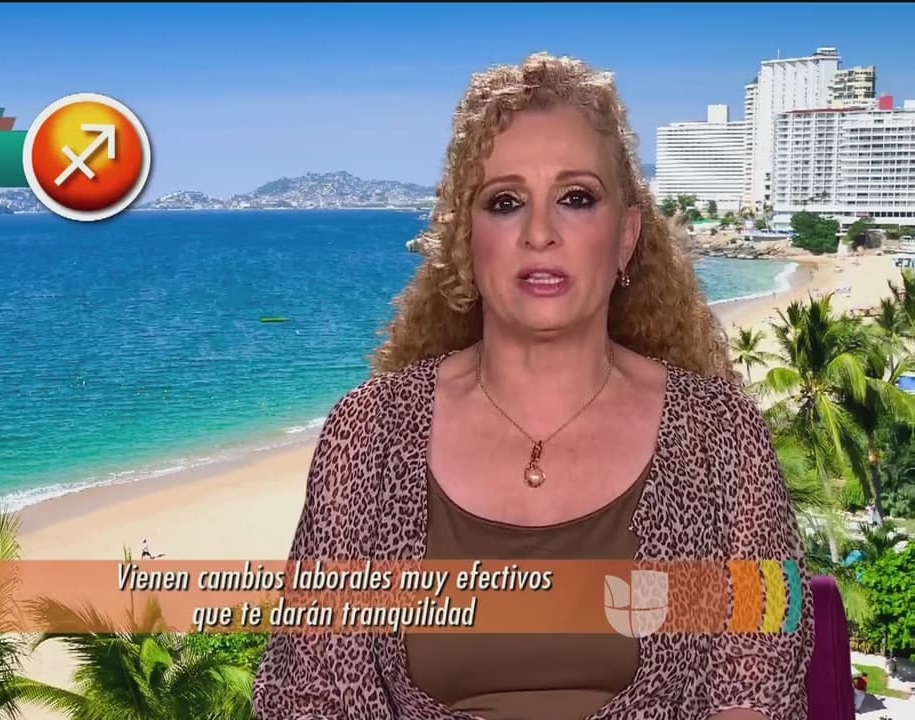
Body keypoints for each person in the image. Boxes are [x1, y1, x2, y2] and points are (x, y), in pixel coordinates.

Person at [253, 53, 813, 720]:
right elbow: (313, 692)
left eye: (576, 198)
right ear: (467, 240)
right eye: (505, 202)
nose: (540, 233)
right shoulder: (367, 435)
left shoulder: (721, 435)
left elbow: (755, 683)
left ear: (626, 236)